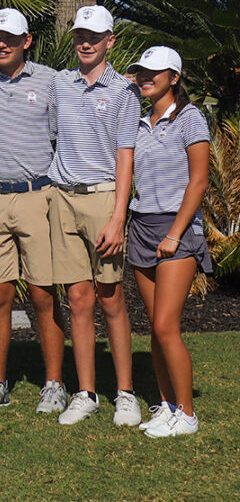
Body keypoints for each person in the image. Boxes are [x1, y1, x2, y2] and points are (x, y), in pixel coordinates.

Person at [0, 8, 67, 413]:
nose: (1, 43)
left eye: (9, 37)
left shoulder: (50, 81)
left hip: (37, 197)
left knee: (43, 294)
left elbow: (61, 133)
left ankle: (55, 383)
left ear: (27, 40)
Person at [48, 5, 142, 426]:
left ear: (110, 41)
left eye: (95, 35)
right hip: (62, 199)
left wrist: (118, 216)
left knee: (111, 298)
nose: (86, 42)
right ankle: (86, 393)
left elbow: (126, 155)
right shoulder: (59, 84)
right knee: (78, 299)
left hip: (104, 199)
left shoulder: (124, 91)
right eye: (80, 35)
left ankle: (126, 393)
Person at [125, 46, 210, 437]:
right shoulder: (141, 122)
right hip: (142, 226)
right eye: (142, 72)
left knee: (165, 327)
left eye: (154, 73)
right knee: (153, 328)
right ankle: (166, 405)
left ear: (174, 77)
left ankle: (187, 414)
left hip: (177, 230)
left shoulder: (190, 119)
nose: (146, 77)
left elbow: (199, 181)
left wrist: (176, 233)